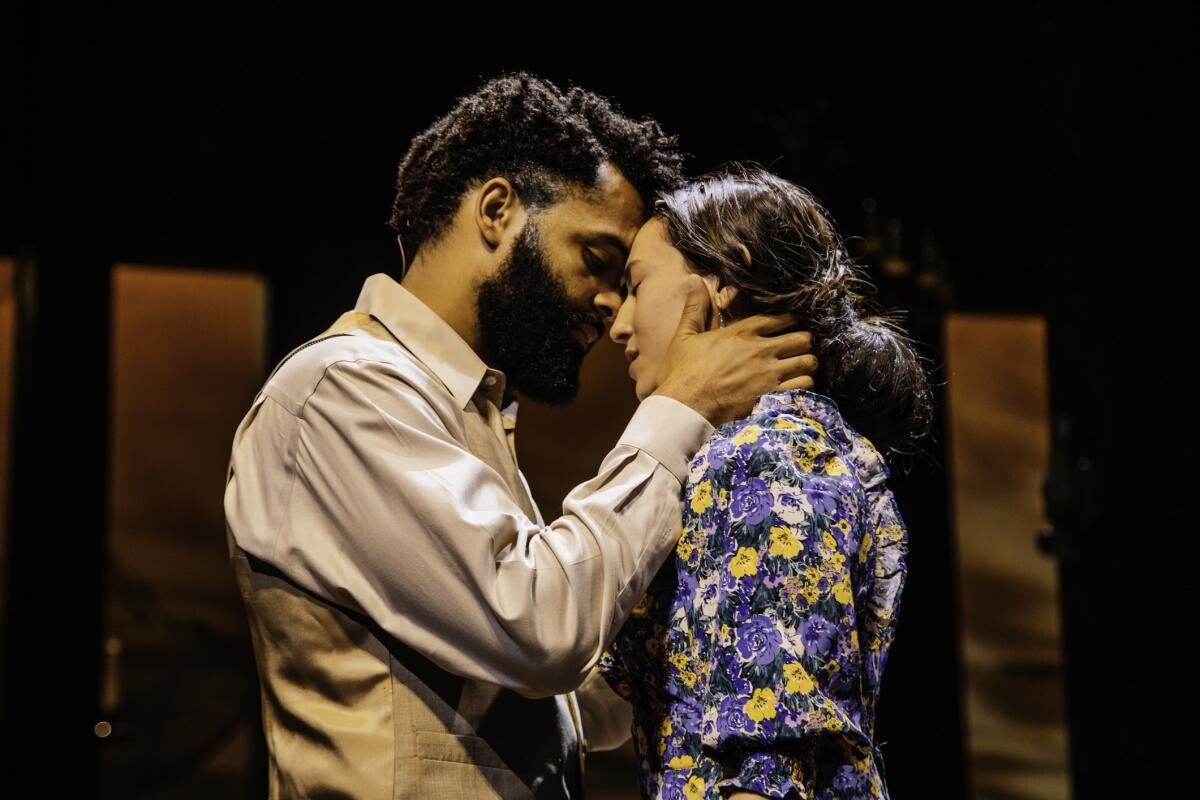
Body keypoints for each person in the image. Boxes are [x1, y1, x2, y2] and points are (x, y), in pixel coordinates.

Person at [222, 75, 818, 799]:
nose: (611, 308)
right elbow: (540, 627)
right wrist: (680, 407)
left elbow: (555, 703)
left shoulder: (466, 409)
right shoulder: (340, 390)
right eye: (598, 261)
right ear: (498, 210)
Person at [599, 165, 933, 800]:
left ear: (721, 282)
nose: (620, 323)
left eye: (636, 287)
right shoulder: (787, 445)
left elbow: (768, 756)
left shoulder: (764, 455)